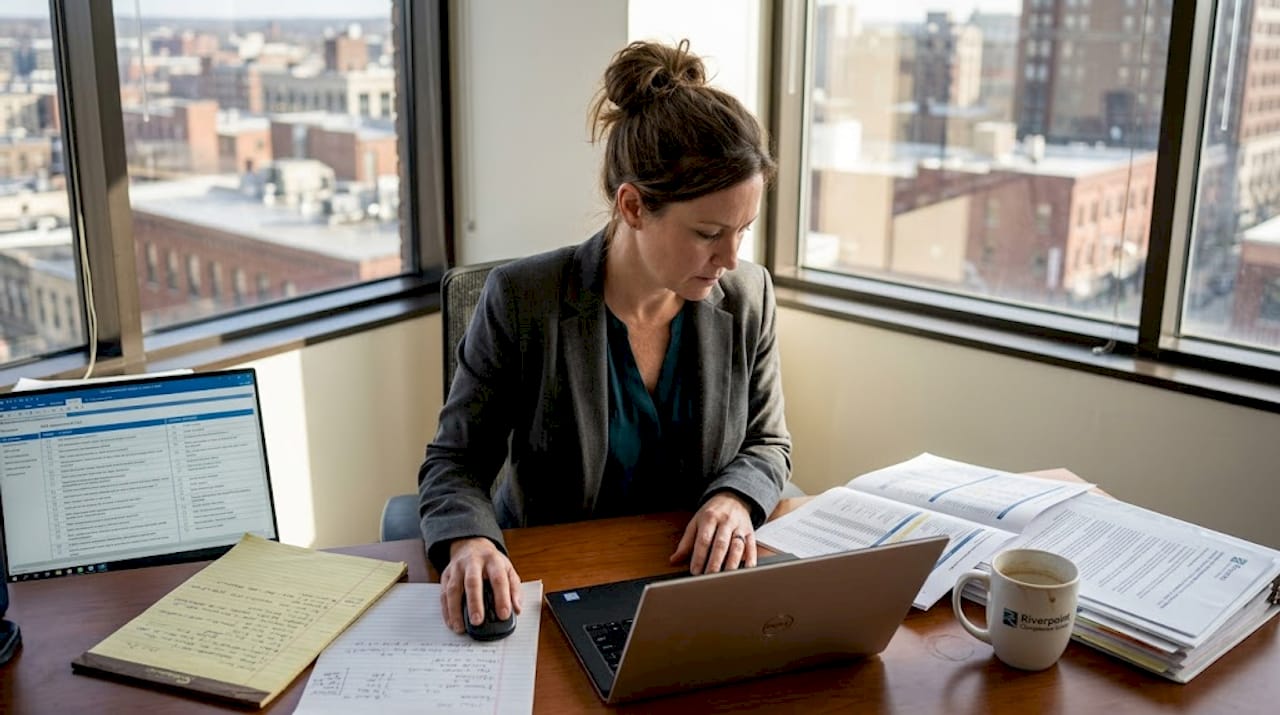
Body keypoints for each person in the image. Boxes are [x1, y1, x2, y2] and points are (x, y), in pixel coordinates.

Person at [418, 39, 792, 635]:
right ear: (634, 206)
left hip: (692, 585)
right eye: (708, 233)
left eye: (742, 229)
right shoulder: (523, 300)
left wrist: (735, 499)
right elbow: (456, 460)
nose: (729, 257)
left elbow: (768, 443)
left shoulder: (749, 296)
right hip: (555, 584)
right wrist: (469, 541)